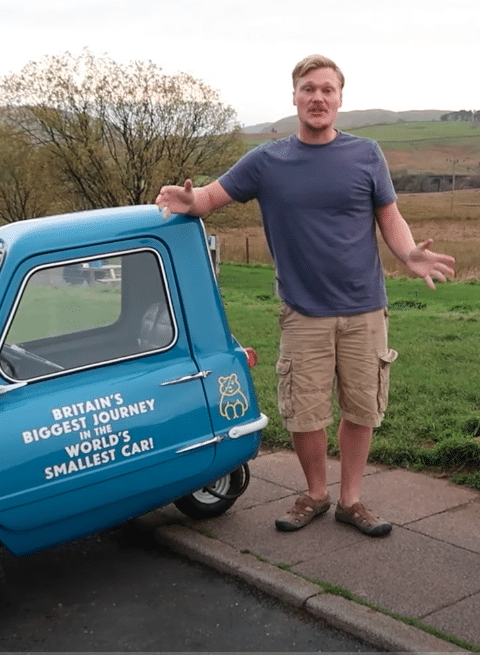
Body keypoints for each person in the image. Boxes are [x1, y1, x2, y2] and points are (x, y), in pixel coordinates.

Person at [155, 54, 455, 537]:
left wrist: (407, 254)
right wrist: (191, 202)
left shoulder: (367, 154)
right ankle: (316, 494)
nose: (318, 98)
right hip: (303, 313)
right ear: (294, 96)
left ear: (339, 99)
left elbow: (389, 214)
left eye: (327, 90)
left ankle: (351, 500)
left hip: (365, 310)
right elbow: (210, 197)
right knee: (304, 411)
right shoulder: (267, 161)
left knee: (362, 409)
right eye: (309, 89)